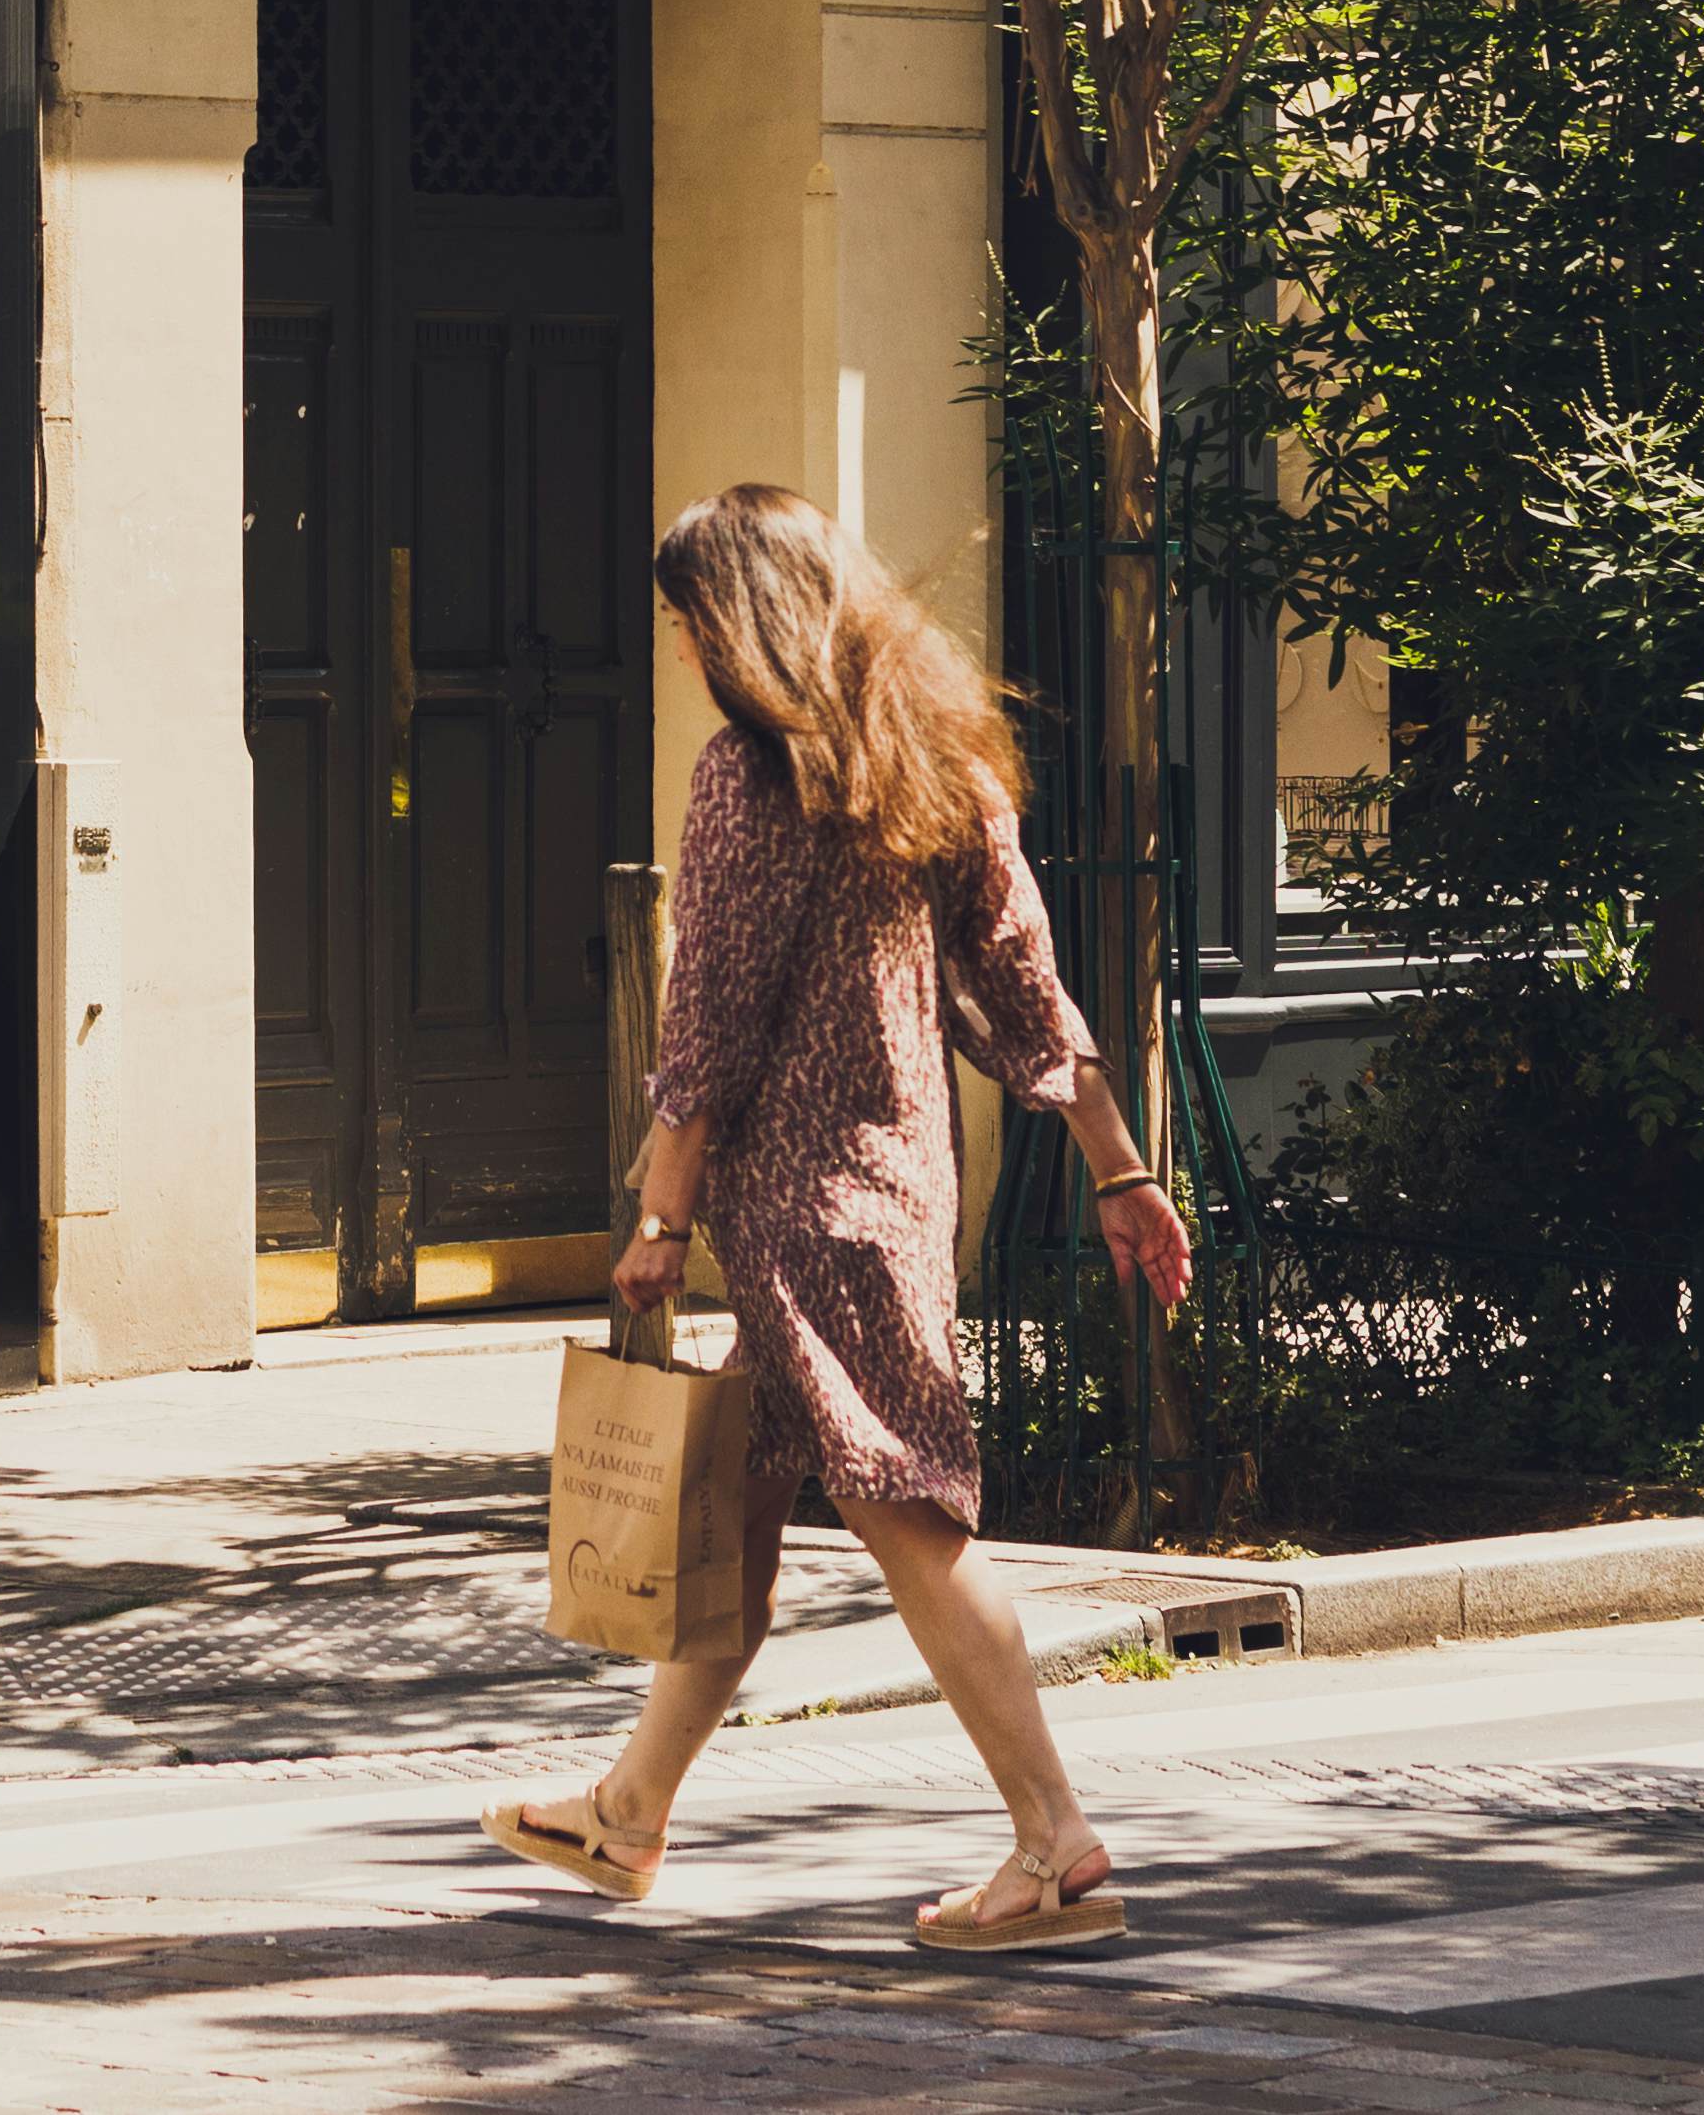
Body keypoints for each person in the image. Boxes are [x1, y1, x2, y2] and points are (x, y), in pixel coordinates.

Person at [474, 486, 1194, 1954]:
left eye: (686, 619)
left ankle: (1054, 1843)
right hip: (892, 1194)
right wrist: (1119, 1167)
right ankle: (627, 1809)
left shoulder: (752, 777)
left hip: (804, 1220)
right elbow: (1026, 983)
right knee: (731, 1516)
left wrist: (658, 1213)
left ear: (739, 619)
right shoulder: (933, 756)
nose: (681, 648)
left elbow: (710, 1018)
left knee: (910, 1520)